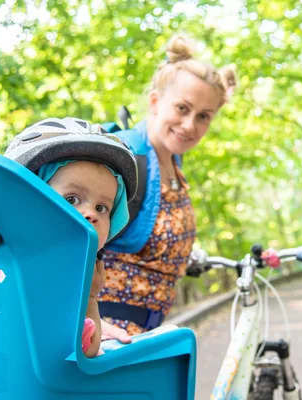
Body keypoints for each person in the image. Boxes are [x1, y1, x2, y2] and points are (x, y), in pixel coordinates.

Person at [97, 35, 238, 336]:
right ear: (155, 102)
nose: (190, 125)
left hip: (145, 333)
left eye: (203, 116)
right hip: (107, 335)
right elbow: (69, 239)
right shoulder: (124, 158)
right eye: (182, 109)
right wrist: (89, 322)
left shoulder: (173, 162)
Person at [4, 117, 138, 357]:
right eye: (72, 200)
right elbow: (84, 352)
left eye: (101, 208)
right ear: (28, 203)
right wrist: (91, 297)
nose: (91, 214)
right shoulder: (39, 274)